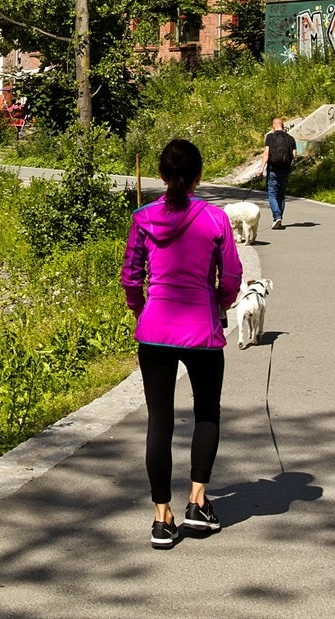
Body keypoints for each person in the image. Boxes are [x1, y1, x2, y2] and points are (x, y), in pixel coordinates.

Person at [121, 139, 241, 549]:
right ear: (198, 176)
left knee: (160, 420)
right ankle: (197, 502)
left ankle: (160, 517)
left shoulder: (143, 218)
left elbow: (130, 277)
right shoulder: (216, 219)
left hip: (155, 330)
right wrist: (219, 304)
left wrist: (142, 310)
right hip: (202, 331)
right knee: (206, 411)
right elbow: (231, 278)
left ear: (160, 175)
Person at [261, 117, 298, 229]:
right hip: (285, 171)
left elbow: (266, 153)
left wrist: (261, 168)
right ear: (283, 125)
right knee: (281, 195)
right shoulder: (290, 138)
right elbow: (295, 155)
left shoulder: (270, 137)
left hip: (273, 170)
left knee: (272, 194)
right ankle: (279, 218)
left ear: (273, 125)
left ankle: (277, 216)